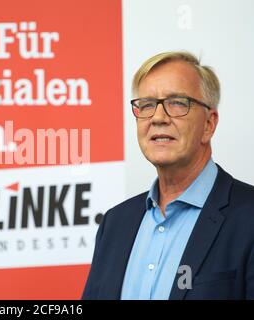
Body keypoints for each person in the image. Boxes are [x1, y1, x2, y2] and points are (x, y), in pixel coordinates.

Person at [82, 51, 254, 300]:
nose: (158, 118)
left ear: (209, 124)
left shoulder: (248, 217)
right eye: (147, 105)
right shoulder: (115, 224)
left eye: (177, 103)